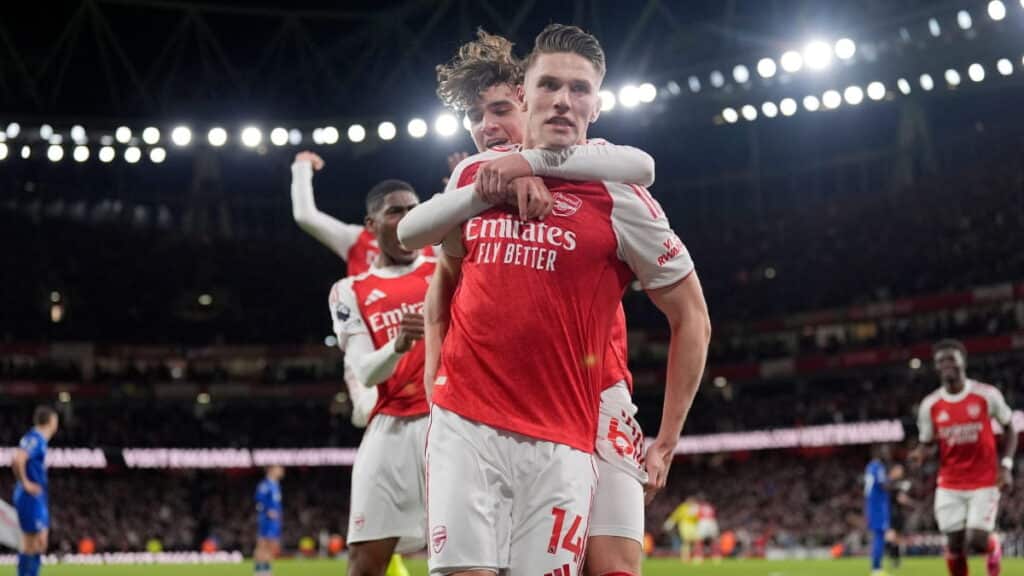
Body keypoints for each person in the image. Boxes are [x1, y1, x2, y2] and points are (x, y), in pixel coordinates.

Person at [400, 24, 711, 576]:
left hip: (590, 399)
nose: (563, 100)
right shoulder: (475, 178)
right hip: (470, 410)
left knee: (612, 567)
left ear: (597, 103)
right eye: (548, 86)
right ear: (529, 92)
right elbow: (436, 269)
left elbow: (691, 311)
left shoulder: (617, 188)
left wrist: (666, 441)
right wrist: (433, 375)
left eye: (579, 90)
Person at [329, 180, 434, 576]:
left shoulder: (446, 270)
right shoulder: (349, 291)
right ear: (371, 225)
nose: (406, 218)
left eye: (413, 208)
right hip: (390, 428)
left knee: (469, 557)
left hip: (450, 423)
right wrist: (399, 343)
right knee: (364, 562)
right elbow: (365, 371)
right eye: (395, 211)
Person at [913, 339, 1017, 576]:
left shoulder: (986, 395)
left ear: (963, 362)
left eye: (951, 358)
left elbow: (1010, 428)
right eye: (941, 361)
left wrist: (1006, 465)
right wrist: (921, 453)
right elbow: (927, 442)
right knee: (954, 545)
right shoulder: (930, 405)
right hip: (950, 483)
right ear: (936, 367)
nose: (946, 364)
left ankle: (993, 548)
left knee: (977, 541)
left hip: (985, 480)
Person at [11, 406, 59, 576]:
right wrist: (25, 483)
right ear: (51, 421)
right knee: (32, 542)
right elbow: (18, 458)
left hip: (37, 495)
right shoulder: (35, 438)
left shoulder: (39, 440)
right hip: (29, 495)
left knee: (40, 542)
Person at [254, 465, 285, 576]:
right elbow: (258, 501)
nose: (282, 470)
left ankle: (266, 571)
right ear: (271, 470)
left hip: (274, 521)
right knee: (263, 545)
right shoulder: (265, 485)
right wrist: (268, 511)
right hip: (267, 520)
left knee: (272, 547)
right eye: (279, 468)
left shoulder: (275, 485)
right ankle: (259, 572)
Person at [865, 449, 890, 576]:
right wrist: (893, 479)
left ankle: (876, 567)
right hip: (878, 506)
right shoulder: (878, 467)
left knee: (878, 536)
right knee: (879, 536)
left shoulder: (869, 467)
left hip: (871, 505)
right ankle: (876, 568)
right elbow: (883, 484)